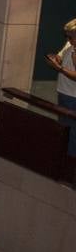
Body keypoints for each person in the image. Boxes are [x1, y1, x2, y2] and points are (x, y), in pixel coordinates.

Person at [45, 18, 76, 155]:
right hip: (64, 93)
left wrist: (59, 68)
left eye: (71, 37)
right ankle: (64, 159)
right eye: (67, 36)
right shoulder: (69, 45)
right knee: (63, 130)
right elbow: (60, 56)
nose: (68, 40)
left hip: (73, 97)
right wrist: (55, 59)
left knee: (72, 134)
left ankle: (69, 165)